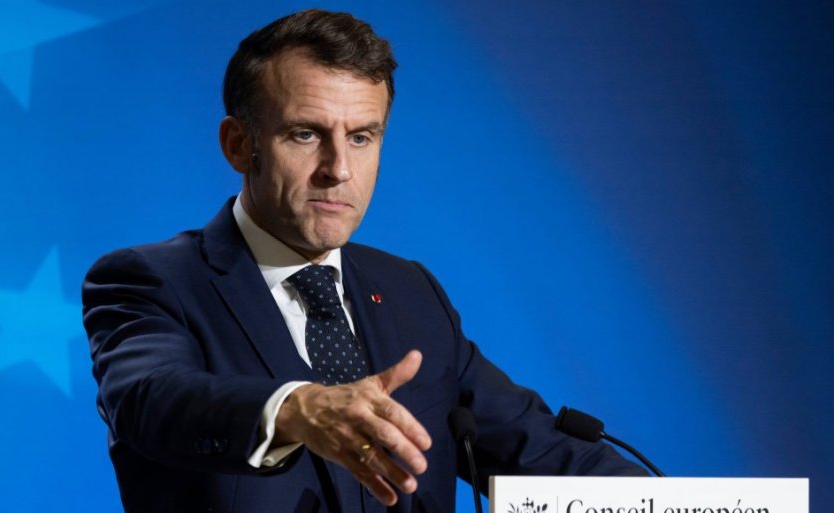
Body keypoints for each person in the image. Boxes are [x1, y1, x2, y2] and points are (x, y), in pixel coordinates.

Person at [82, 8, 646, 513]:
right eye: (306, 134)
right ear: (238, 145)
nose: (339, 169)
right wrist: (297, 408)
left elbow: (540, 453)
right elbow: (151, 400)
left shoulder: (410, 292)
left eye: (361, 137)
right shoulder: (153, 280)